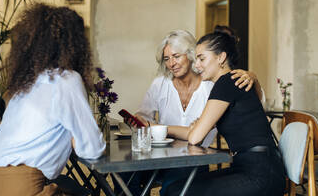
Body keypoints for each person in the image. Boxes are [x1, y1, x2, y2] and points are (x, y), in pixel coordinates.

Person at [0, 4, 106, 196]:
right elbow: (92, 150)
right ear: (76, 44)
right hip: (23, 187)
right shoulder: (66, 79)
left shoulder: (27, 81)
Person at [120, 29, 264, 195]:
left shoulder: (216, 86)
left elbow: (195, 136)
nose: (171, 63)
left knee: (174, 190)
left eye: (177, 56)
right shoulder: (163, 84)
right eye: (167, 59)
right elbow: (188, 131)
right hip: (240, 164)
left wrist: (253, 77)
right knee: (127, 172)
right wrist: (151, 125)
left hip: (210, 162)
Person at [165, 29, 285, 196]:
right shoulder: (230, 82)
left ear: (221, 57)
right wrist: (161, 128)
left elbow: (194, 137)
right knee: (176, 188)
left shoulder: (226, 83)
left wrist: (197, 128)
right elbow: (193, 132)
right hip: (254, 167)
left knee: (177, 191)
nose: (197, 65)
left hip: (261, 174)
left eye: (202, 58)